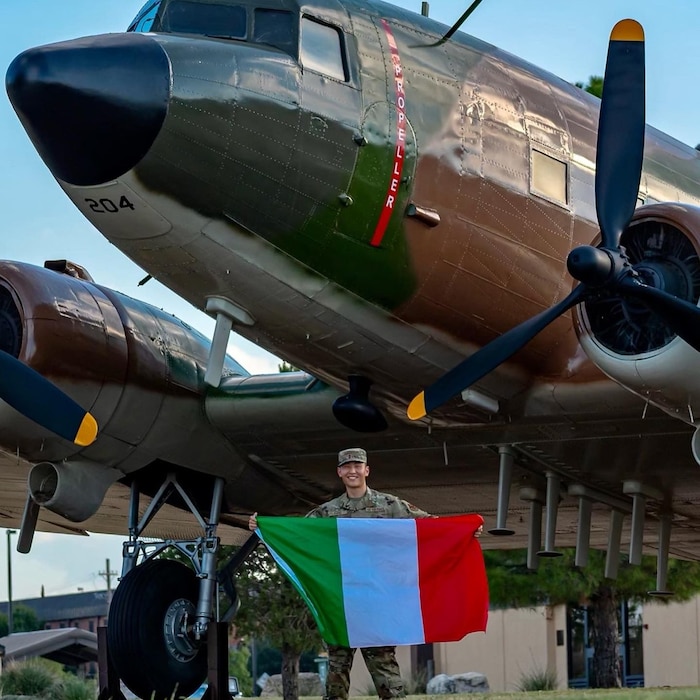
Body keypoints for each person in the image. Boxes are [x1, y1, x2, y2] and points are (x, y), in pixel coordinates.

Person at [248, 447, 433, 700]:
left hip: (375, 604)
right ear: (339, 472)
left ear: (367, 470)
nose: (352, 471)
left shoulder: (390, 506)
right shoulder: (327, 513)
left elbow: (430, 525)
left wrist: (465, 530)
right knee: (336, 677)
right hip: (341, 604)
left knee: (388, 679)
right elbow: (296, 533)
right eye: (347, 467)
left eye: (357, 466)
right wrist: (263, 528)